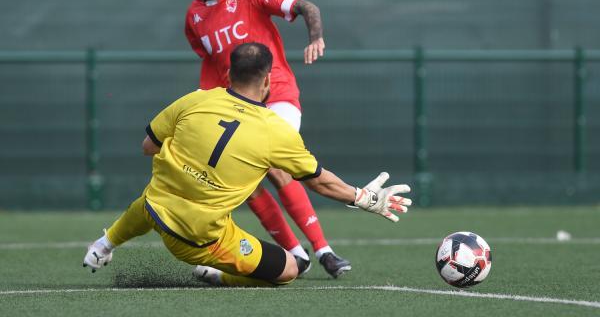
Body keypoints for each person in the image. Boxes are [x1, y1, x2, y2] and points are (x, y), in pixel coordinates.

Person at [82, 43, 412, 287]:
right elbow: (319, 182)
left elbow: (147, 147)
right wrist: (368, 199)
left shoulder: (196, 99)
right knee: (290, 269)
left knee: (158, 195)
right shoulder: (275, 131)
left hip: (155, 212)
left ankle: (104, 244)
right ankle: (217, 275)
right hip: (200, 243)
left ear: (227, 73)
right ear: (268, 80)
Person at [183, 0, 348, 277]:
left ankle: (323, 250)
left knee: (274, 167)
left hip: (278, 95)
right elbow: (214, 69)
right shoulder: (194, 18)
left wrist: (315, 36)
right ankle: (297, 254)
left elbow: (307, 6)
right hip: (238, 106)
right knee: (245, 181)